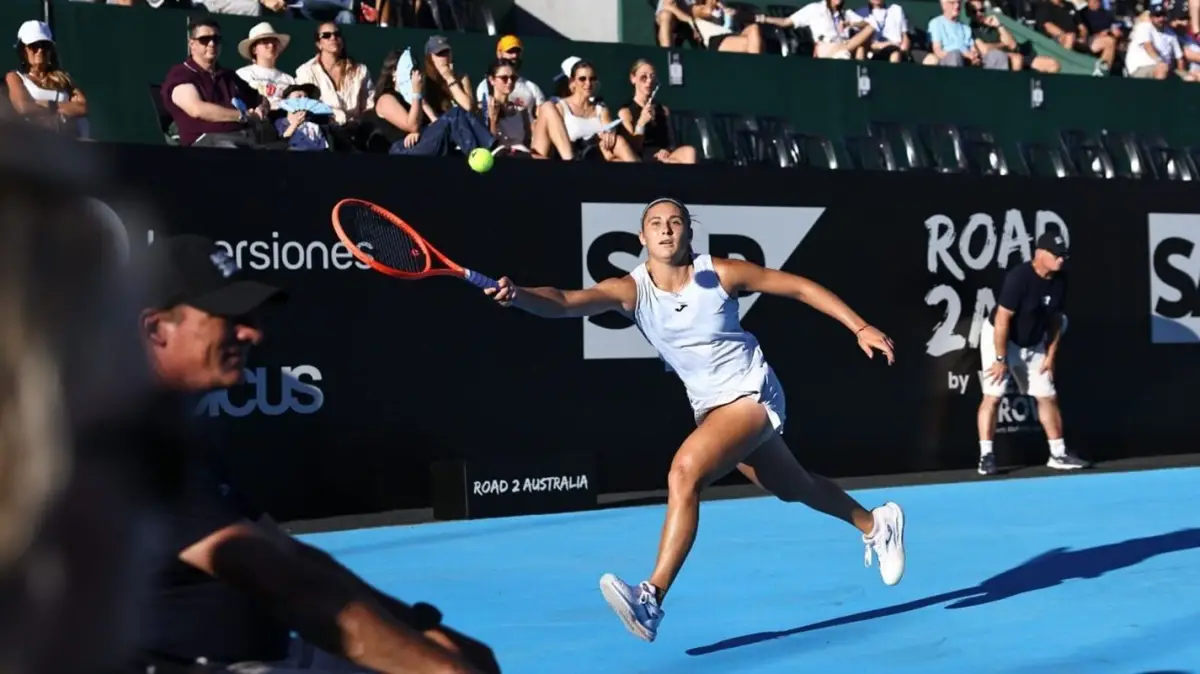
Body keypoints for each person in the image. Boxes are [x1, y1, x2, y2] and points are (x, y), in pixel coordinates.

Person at [483, 198, 906, 642]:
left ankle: (650, 598)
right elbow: (566, 301)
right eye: (656, 224)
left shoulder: (721, 273)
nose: (666, 230)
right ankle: (877, 524)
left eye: (675, 222)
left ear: (689, 232)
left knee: (684, 473)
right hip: (711, 407)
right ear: (642, 237)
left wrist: (859, 326)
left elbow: (798, 287)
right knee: (794, 486)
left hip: (751, 392)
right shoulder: (630, 290)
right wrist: (519, 296)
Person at [134, 234, 498, 673]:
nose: (253, 332)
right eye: (228, 318)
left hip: (272, 651)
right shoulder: (128, 444)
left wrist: (419, 627)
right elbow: (288, 585)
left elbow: (292, 558)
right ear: (156, 329)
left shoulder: (179, 426)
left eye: (249, 316)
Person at [976, 231, 1088, 476]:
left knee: (1047, 395)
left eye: (1063, 255)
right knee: (993, 396)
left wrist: (1050, 355)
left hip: (1035, 342)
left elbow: (1056, 320)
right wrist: (1000, 359)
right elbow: (1003, 319)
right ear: (1039, 254)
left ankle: (1058, 454)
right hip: (1001, 338)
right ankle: (986, 456)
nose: (1061, 260)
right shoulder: (1019, 278)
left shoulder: (1061, 280)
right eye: (1056, 255)